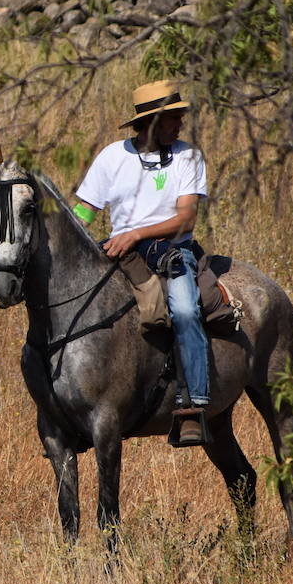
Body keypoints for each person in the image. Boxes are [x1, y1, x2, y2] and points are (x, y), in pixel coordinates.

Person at [72, 79, 210, 446]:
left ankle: (192, 404)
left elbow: (185, 219)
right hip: (118, 253)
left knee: (184, 310)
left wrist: (136, 234)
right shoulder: (112, 157)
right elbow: (85, 210)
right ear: (152, 122)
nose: (179, 124)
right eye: (173, 118)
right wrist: (65, 231)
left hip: (171, 253)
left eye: (180, 117)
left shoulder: (188, 157)